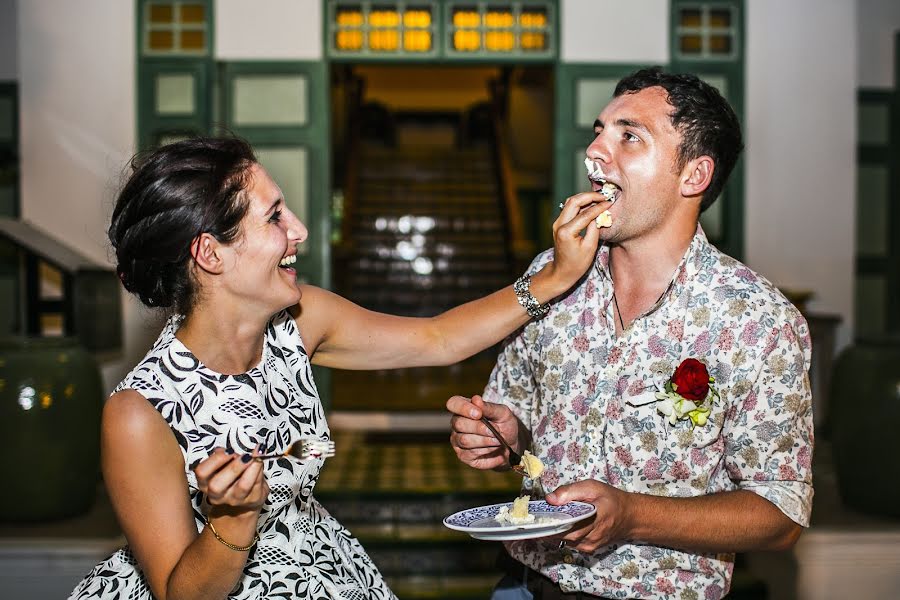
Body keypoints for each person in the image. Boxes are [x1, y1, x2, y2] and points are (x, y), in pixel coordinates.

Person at [68, 136, 613, 600]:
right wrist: (232, 518)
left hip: (322, 567)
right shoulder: (137, 414)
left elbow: (438, 337)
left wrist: (552, 279)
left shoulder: (301, 321)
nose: (300, 229)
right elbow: (180, 593)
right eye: (275, 216)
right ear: (211, 254)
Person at [447, 67, 813, 600]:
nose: (595, 151)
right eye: (598, 131)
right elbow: (519, 420)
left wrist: (633, 516)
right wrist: (503, 434)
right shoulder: (550, 274)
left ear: (694, 176)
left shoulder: (758, 321)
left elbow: (781, 514)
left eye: (629, 136)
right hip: (528, 584)